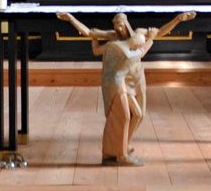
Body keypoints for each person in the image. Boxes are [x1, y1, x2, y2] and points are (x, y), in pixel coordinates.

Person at [56, 10, 197, 164]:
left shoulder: (138, 34)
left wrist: (177, 20)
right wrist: (71, 19)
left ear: (127, 25)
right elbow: (89, 33)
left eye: (122, 26)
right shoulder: (114, 40)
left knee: (139, 115)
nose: (120, 29)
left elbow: (160, 32)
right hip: (120, 80)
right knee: (125, 116)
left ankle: (126, 143)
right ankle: (120, 150)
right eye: (117, 26)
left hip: (136, 76)